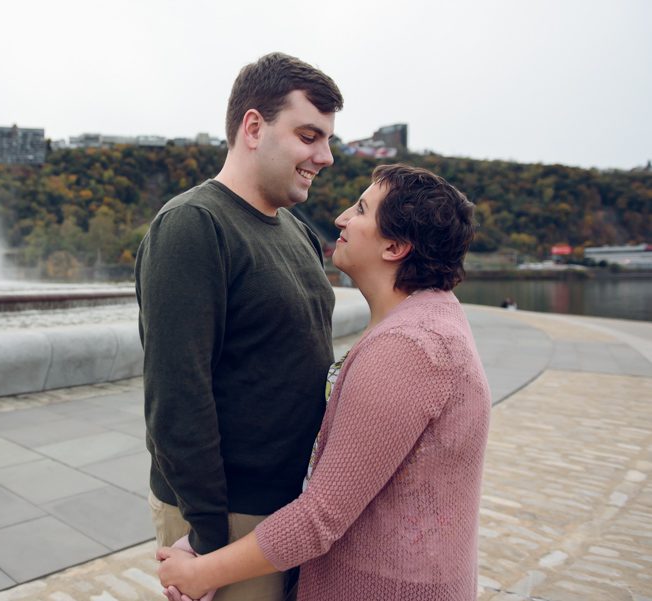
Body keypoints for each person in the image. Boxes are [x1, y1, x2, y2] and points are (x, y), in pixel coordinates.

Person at [157, 164, 492, 601]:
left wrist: (203, 571)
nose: (341, 218)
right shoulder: (432, 319)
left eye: (361, 209)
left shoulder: (409, 349)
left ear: (394, 246)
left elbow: (320, 518)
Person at [134, 52, 343, 601]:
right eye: (308, 135)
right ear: (254, 127)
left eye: (327, 140)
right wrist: (206, 541)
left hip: (291, 509)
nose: (324, 156)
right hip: (230, 516)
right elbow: (177, 397)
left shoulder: (297, 232)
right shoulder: (193, 225)